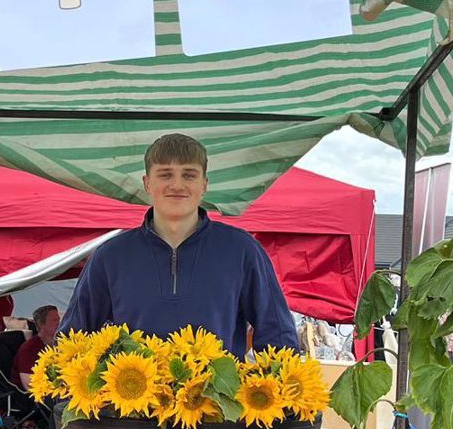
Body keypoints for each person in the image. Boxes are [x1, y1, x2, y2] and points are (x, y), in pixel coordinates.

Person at [59, 133, 298, 355]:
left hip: (218, 399)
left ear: (204, 184)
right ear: (147, 183)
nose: (177, 185)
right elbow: (72, 339)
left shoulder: (242, 251)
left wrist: (276, 395)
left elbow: (277, 336)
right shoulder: (110, 256)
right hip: (133, 399)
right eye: (165, 174)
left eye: (189, 175)